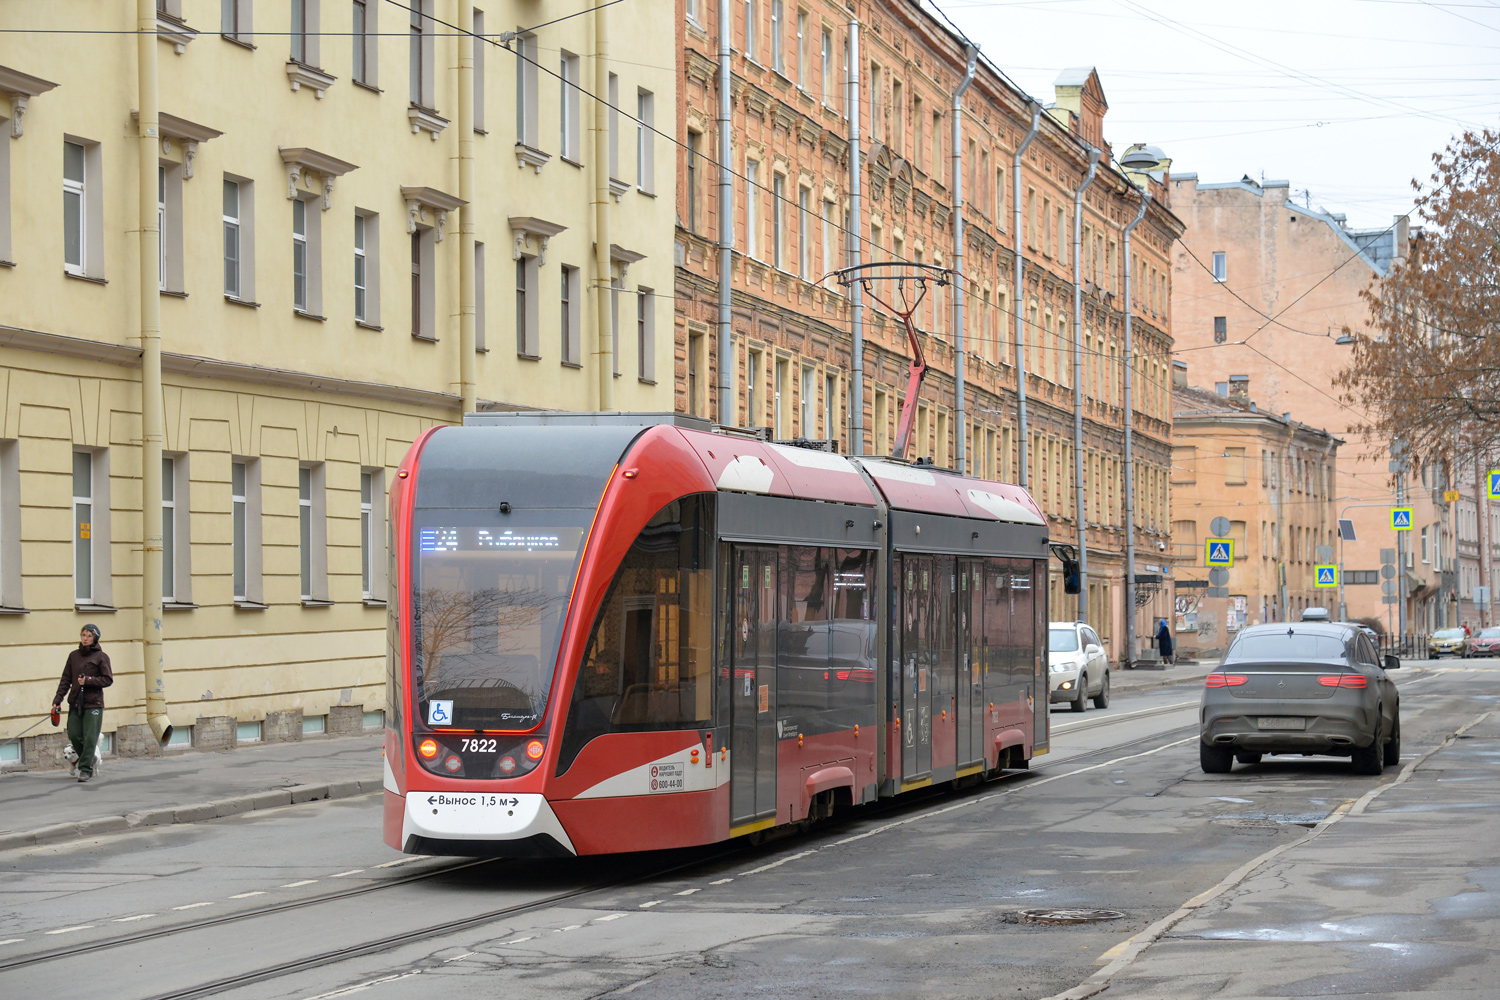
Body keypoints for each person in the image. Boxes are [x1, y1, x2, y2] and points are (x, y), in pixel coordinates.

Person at [52, 624, 112, 783]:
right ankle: (89, 759)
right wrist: (57, 700)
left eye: (89, 636)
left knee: (90, 737)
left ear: (95, 639)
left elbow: (108, 679)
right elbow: (65, 680)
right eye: (83, 635)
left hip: (94, 704)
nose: (85, 638)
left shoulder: (101, 657)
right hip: (75, 702)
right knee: (74, 734)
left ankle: (85, 769)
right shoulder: (73, 656)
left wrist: (89, 681)